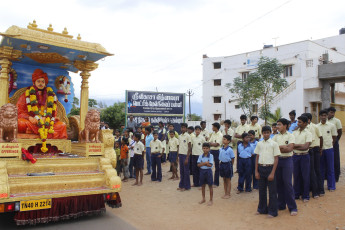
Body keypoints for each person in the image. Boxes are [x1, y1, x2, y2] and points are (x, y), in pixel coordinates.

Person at [17, 68, 67, 139]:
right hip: (32, 122)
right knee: (20, 123)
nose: (41, 83)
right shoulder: (26, 95)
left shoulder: (51, 96)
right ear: (34, 83)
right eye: (38, 81)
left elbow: (53, 112)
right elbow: (19, 111)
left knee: (62, 125)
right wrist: (30, 118)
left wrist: (47, 118)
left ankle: (32, 132)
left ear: (45, 83)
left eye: (43, 82)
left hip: (46, 123)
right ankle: (38, 132)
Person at [273, 118, 298, 216]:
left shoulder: (291, 136)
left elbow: (290, 149)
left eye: (279, 125)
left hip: (287, 160)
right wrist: (283, 147)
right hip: (278, 160)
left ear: (285, 126)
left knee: (287, 183)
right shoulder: (275, 137)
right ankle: (281, 204)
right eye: (277, 125)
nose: (277, 127)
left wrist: (280, 148)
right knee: (279, 183)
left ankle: (292, 207)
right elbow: (273, 149)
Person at [255, 126, 280, 218]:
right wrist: (256, 171)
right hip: (261, 168)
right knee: (262, 190)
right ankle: (262, 209)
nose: (266, 134)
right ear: (262, 133)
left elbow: (276, 158)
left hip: (270, 168)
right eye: (264, 132)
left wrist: (273, 172)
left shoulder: (274, 144)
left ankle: (272, 211)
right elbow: (257, 157)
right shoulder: (259, 144)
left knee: (272, 191)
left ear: (270, 133)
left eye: (267, 132)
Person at [292, 115, 312, 202]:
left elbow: (306, 147)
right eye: (298, 121)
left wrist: (295, 147)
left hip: (304, 156)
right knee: (296, 176)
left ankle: (305, 195)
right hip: (295, 156)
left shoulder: (308, 133)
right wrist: (300, 145)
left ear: (305, 123)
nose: (298, 123)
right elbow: (291, 145)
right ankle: (296, 194)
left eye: (300, 122)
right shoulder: (294, 133)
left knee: (305, 176)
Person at [318, 109, 337, 194]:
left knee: (330, 168)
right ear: (320, 116)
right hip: (320, 150)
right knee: (321, 169)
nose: (323, 117)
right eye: (322, 115)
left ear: (327, 116)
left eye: (325, 115)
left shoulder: (331, 125)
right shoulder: (317, 126)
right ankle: (320, 186)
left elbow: (334, 137)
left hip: (329, 149)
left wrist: (331, 144)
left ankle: (331, 186)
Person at [303, 113, 322, 198]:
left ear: (308, 120)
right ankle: (311, 188)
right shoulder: (302, 129)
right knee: (309, 170)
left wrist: (320, 148)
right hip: (306, 150)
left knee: (316, 170)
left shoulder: (314, 127)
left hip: (314, 148)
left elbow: (321, 137)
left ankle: (319, 190)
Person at [327, 107, 342, 182]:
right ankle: (327, 176)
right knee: (326, 159)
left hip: (334, 142)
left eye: (333, 113)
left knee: (335, 159)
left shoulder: (337, 121)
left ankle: (336, 176)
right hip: (326, 143)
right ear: (328, 113)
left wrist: (335, 141)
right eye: (331, 112)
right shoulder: (324, 120)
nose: (332, 114)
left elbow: (339, 132)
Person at [219, 135, 235, 199]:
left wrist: (231, 165)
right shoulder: (221, 149)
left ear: (228, 141)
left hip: (228, 164)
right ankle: (225, 193)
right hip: (222, 164)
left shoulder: (230, 150)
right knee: (224, 179)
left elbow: (233, 158)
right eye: (223, 139)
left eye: (225, 139)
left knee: (228, 179)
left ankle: (228, 193)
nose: (223, 140)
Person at [177, 123, 192, 191]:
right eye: (182, 127)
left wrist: (187, 158)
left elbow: (189, 147)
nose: (183, 129)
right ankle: (181, 185)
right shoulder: (180, 136)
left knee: (186, 171)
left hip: (185, 155)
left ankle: (187, 186)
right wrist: (178, 155)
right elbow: (179, 146)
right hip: (180, 154)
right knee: (181, 171)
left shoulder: (188, 136)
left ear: (186, 128)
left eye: (184, 128)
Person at [208, 122, 223, 188]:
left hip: (217, 151)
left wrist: (212, 143)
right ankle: (210, 181)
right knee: (209, 165)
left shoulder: (220, 135)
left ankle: (216, 183)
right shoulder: (213, 134)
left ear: (216, 127)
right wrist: (212, 143)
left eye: (213, 126)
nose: (212, 128)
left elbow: (217, 144)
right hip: (211, 151)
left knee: (217, 167)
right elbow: (209, 142)